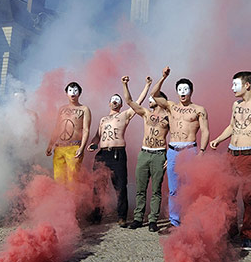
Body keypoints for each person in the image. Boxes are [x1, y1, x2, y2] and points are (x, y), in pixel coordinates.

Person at [210, 71, 251, 251]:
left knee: (249, 197)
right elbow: (232, 126)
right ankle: (230, 231)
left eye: (235, 84)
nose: (232, 88)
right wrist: (218, 139)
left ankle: (247, 235)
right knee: (227, 195)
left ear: (247, 85)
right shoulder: (236, 104)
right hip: (231, 154)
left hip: (249, 156)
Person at [86, 77, 152, 226]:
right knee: (98, 186)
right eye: (113, 100)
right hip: (102, 154)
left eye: (118, 100)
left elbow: (138, 102)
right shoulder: (103, 120)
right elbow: (97, 136)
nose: (115, 102)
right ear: (109, 103)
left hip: (117, 154)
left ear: (121, 104)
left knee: (120, 186)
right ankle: (97, 215)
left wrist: (146, 85)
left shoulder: (125, 115)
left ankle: (121, 216)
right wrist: (93, 144)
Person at [150, 67, 209, 227]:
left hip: (190, 150)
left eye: (186, 89)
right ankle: (174, 222)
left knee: (190, 188)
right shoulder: (171, 106)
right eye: (180, 90)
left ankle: (190, 220)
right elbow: (154, 95)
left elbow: (205, 131)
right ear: (176, 92)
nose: (183, 92)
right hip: (173, 150)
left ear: (191, 91)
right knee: (173, 189)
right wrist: (163, 77)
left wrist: (202, 152)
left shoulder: (199, 110)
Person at [122, 77, 170, 232]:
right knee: (140, 189)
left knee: (156, 190)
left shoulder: (169, 117)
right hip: (144, 153)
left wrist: (170, 156)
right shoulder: (146, 114)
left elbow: (176, 136)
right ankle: (138, 218)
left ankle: (153, 220)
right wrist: (125, 84)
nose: (149, 100)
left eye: (152, 98)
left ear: (159, 100)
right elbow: (129, 101)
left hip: (159, 155)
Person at [45, 82, 91, 183]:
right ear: (66, 93)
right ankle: (62, 199)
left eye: (75, 91)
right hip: (59, 147)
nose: (73, 93)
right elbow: (57, 128)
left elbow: (86, 130)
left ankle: (73, 199)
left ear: (79, 93)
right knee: (59, 180)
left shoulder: (84, 109)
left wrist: (82, 148)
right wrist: (50, 145)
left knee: (73, 180)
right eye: (70, 90)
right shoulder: (62, 109)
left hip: (74, 148)